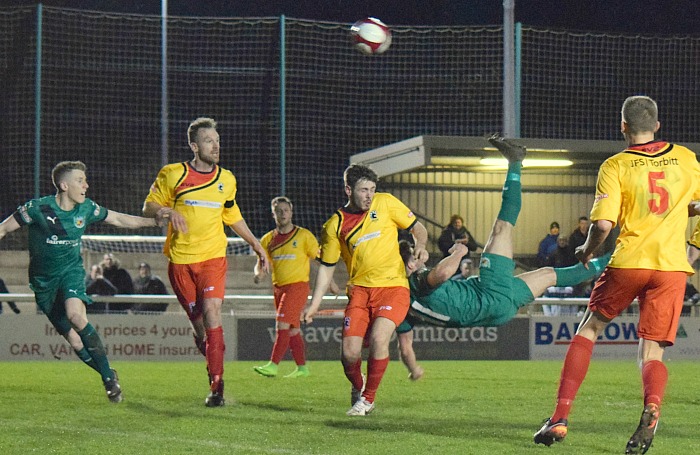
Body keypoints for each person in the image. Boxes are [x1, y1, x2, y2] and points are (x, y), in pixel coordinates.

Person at [533, 95, 700, 454]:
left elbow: (604, 224)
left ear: (623, 126)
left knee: (589, 329)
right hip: (671, 268)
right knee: (652, 352)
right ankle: (652, 405)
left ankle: (560, 418)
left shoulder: (616, 165)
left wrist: (588, 250)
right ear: (657, 124)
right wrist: (695, 247)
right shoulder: (687, 158)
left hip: (629, 262)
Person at [394, 135, 610, 367]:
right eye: (412, 261)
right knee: (502, 227)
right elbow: (442, 274)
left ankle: (615, 257)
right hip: (488, 293)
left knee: (549, 274)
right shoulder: (415, 281)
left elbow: (405, 346)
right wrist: (458, 251)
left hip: (498, 313)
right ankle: (515, 161)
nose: (416, 262)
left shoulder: (398, 306)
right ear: (408, 266)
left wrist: (414, 370)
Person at [0, 160, 165, 403]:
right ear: (64, 185)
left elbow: (118, 219)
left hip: (71, 273)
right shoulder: (37, 208)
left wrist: (153, 221)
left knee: (77, 316)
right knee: (75, 341)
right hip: (44, 283)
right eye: (80, 181)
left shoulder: (86, 208)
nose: (86, 185)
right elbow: (4, 229)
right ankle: (108, 373)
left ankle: (108, 381)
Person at [142, 117, 269, 407]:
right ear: (194, 145)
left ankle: (217, 386)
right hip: (180, 262)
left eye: (218, 140)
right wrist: (164, 211)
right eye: (209, 141)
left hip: (213, 258)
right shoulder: (173, 174)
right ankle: (213, 360)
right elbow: (147, 206)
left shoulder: (227, 179)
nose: (216, 145)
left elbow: (232, 215)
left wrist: (255, 243)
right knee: (201, 330)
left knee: (213, 313)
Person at [303, 163, 429, 417]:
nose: (369, 195)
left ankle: (367, 400)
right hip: (360, 292)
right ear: (348, 190)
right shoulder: (334, 226)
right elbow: (327, 268)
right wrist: (315, 304)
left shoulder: (386, 203)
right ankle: (361, 388)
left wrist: (421, 245)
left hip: (393, 287)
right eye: (363, 190)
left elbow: (418, 228)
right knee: (348, 354)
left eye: (372, 189)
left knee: (379, 339)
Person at [252, 196, 337, 378]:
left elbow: (320, 260)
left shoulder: (304, 236)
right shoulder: (268, 239)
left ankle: (273, 365)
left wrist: (331, 282)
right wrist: (258, 274)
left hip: (297, 287)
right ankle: (302, 368)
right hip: (279, 288)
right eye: (278, 211)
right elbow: (261, 263)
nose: (282, 214)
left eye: (286, 210)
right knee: (292, 330)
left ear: (291, 212)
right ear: (273, 214)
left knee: (281, 324)